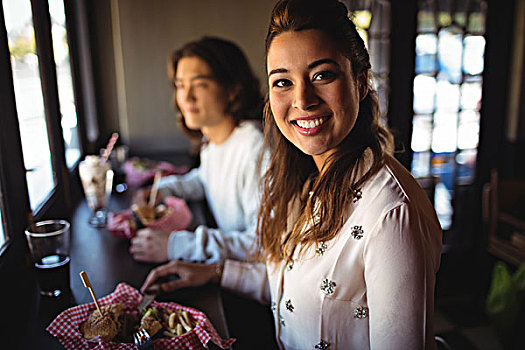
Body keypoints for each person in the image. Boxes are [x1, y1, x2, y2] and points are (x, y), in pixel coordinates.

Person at [141, 1, 443, 349]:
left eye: (322, 75)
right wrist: (216, 272)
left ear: (361, 83)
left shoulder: (391, 215)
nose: (302, 99)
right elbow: (294, 286)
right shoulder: (305, 177)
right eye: (283, 81)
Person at [130, 36, 265, 264]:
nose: (186, 97)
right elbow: (206, 180)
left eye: (200, 84)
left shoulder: (256, 149)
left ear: (233, 89)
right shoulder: (213, 139)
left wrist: (176, 245)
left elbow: (261, 245)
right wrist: (163, 190)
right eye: (180, 85)